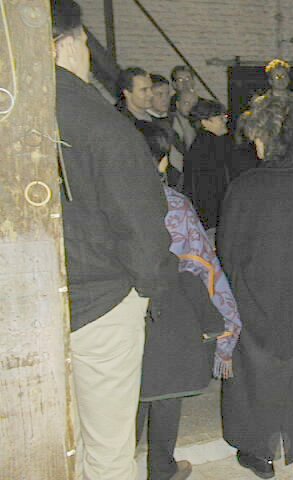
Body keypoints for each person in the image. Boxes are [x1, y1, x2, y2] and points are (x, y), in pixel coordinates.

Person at [53, 2, 177, 478]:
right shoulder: (100, 122)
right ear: (67, 45)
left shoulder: (16, 110)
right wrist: (149, 290)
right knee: (107, 450)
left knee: (59, 439)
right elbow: (141, 222)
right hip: (100, 300)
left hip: (36, 303)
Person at [218, 95, 293, 478]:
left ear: (271, 137)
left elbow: (228, 250)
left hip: (259, 294)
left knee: (256, 372)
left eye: (258, 136)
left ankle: (260, 452)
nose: (255, 144)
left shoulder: (247, 186)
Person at [135, 122, 240, 480]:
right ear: (163, 161)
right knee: (166, 392)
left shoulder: (101, 200)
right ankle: (161, 467)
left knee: (125, 391)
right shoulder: (175, 206)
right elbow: (204, 267)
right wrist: (227, 325)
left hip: (119, 310)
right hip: (168, 312)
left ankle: (117, 465)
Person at [182, 98, 232, 237]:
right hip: (213, 220)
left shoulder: (203, 144)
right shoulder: (210, 147)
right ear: (204, 122)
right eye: (220, 117)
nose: (225, 120)